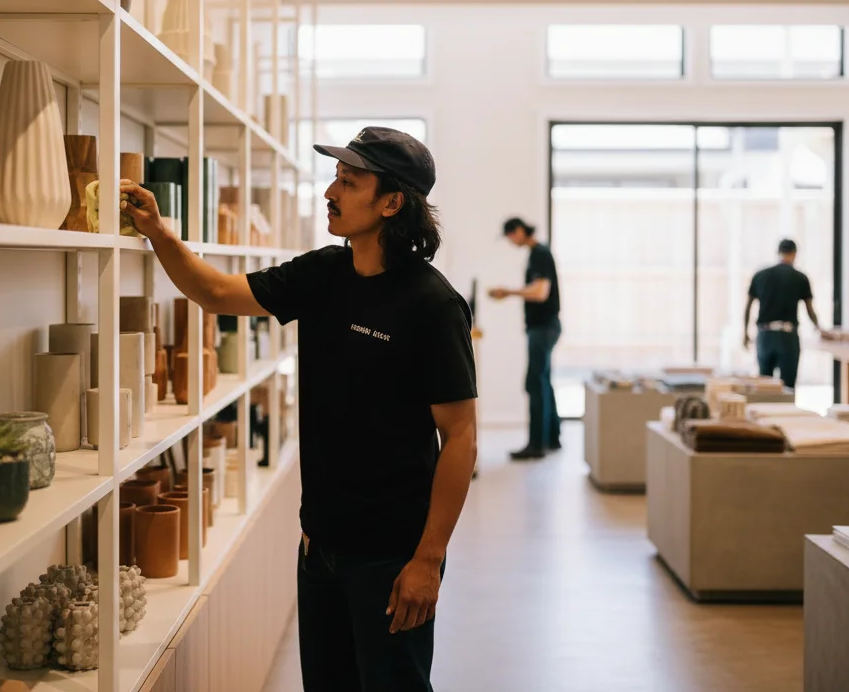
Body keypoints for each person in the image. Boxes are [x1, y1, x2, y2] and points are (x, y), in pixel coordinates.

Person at [120, 126, 477, 692]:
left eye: (350, 181)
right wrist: (160, 233)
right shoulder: (322, 274)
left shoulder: (433, 305)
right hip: (320, 549)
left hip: (390, 560)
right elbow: (216, 293)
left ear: (391, 203)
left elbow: (460, 437)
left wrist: (427, 562)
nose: (330, 192)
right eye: (335, 178)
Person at [489, 217, 562, 461]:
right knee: (543, 381)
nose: (511, 242)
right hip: (544, 327)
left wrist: (507, 292)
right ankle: (552, 439)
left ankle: (536, 445)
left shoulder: (539, 253)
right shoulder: (537, 253)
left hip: (543, 328)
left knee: (535, 383)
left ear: (518, 231)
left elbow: (541, 293)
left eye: (510, 236)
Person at [743, 238, 823, 390]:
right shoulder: (800, 277)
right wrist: (819, 328)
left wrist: (745, 333)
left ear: (778, 252)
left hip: (765, 334)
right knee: (788, 388)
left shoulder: (760, 275)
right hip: (788, 336)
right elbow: (809, 310)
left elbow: (748, 307)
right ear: (794, 254)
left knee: (764, 386)